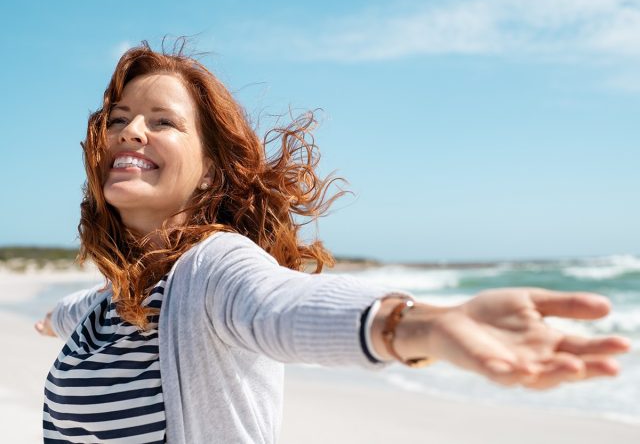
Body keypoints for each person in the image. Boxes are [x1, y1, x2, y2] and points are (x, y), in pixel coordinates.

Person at [35, 41, 631, 444]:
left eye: (162, 120)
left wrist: (415, 326)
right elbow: (73, 311)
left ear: (212, 171)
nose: (130, 130)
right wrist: (48, 320)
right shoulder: (109, 301)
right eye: (117, 118)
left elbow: (281, 306)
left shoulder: (213, 270)